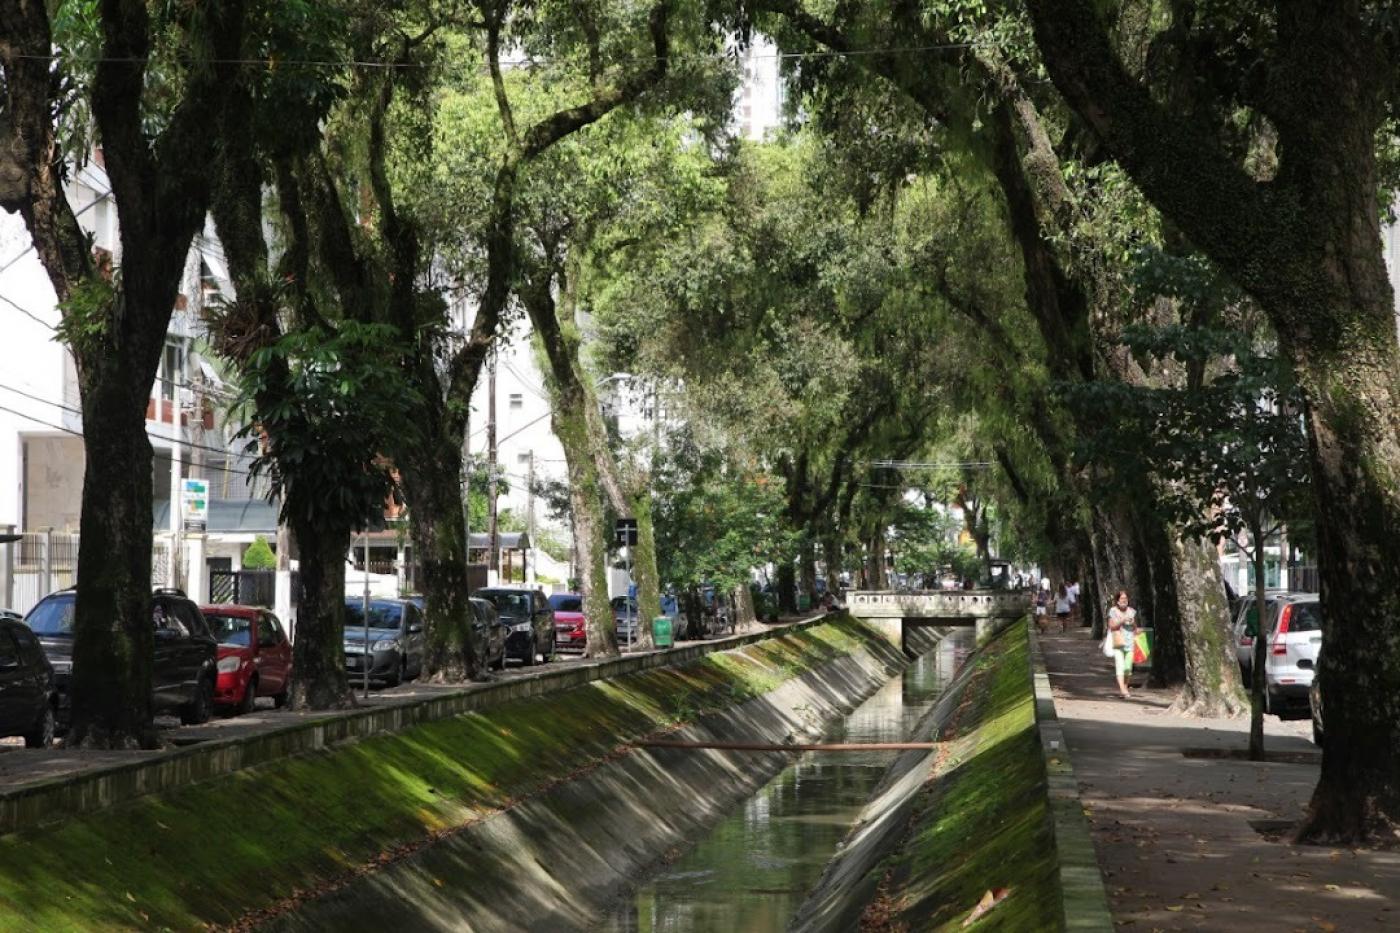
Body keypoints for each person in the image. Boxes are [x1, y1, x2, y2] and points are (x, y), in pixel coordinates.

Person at [1107, 590, 1137, 699]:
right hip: (1118, 642)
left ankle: (1124, 687)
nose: (1124, 601)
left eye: (1126, 599)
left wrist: (1133, 623)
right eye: (1122, 599)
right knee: (1120, 666)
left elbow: (1135, 628)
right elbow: (1111, 626)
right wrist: (1122, 620)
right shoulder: (1112, 611)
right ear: (1117, 601)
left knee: (1128, 668)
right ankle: (1123, 690)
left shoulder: (1132, 611)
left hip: (1130, 643)